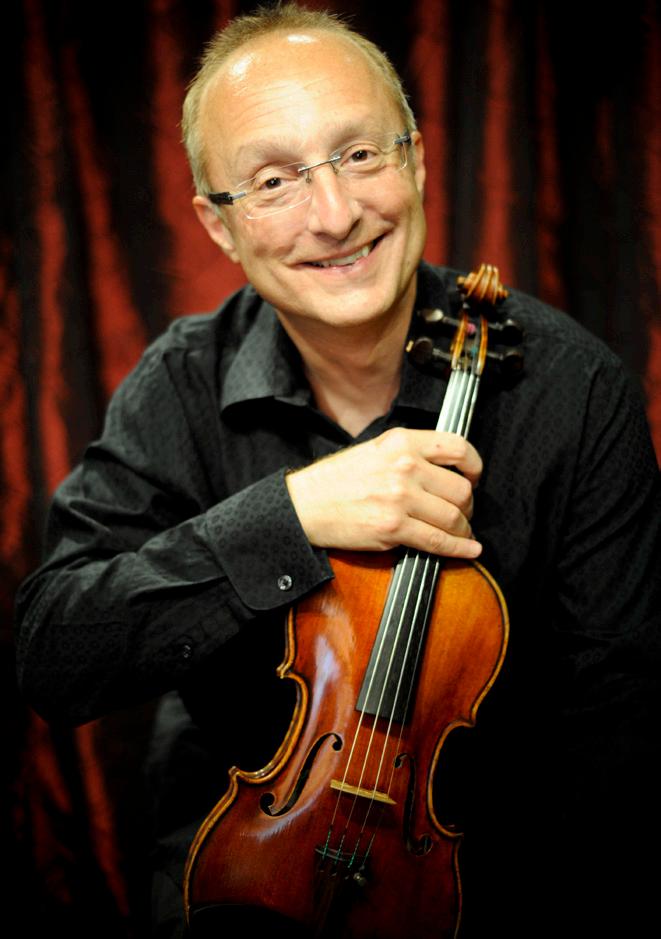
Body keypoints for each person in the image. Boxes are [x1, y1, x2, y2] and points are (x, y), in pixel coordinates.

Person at [15, 3, 661, 937]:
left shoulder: (574, 390)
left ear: (416, 162)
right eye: (273, 181)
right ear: (219, 226)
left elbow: (619, 731)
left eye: (360, 155)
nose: (334, 215)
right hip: (234, 888)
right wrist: (288, 515)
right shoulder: (181, 384)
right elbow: (54, 654)